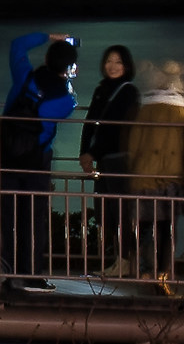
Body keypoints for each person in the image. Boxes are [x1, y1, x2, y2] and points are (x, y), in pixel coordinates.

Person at [0, 31, 77, 289]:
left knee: (7, 215)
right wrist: (68, 79)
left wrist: (47, 36)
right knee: (34, 216)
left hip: (7, 154)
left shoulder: (25, 77)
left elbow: (17, 44)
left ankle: (6, 271)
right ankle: (31, 273)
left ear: (46, 57)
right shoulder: (66, 100)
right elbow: (58, 113)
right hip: (36, 159)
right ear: (68, 68)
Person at [124, 60, 184, 287]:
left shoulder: (145, 107)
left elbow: (134, 145)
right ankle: (163, 274)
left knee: (145, 224)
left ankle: (144, 269)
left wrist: (132, 171)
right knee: (167, 227)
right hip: (174, 177)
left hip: (145, 174)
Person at [78, 45, 140, 276]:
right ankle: (118, 260)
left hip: (119, 158)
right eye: (109, 61)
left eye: (118, 62)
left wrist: (90, 154)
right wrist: (83, 153)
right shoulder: (101, 89)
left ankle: (125, 261)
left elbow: (115, 129)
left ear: (126, 66)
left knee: (120, 210)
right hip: (102, 158)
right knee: (105, 211)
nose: (112, 66)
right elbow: (89, 122)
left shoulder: (128, 92)